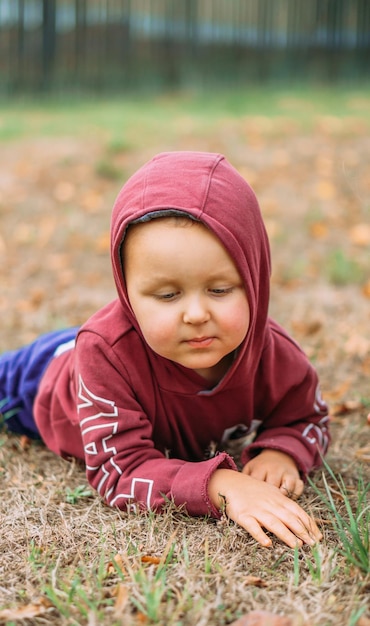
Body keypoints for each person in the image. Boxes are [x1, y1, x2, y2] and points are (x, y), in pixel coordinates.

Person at [0, 151, 330, 549]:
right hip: (39, 379)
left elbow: (306, 415)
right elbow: (119, 471)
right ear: (127, 293)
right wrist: (223, 486)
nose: (195, 314)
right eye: (168, 294)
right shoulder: (104, 356)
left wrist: (284, 454)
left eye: (220, 290)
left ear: (255, 276)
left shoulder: (273, 352)